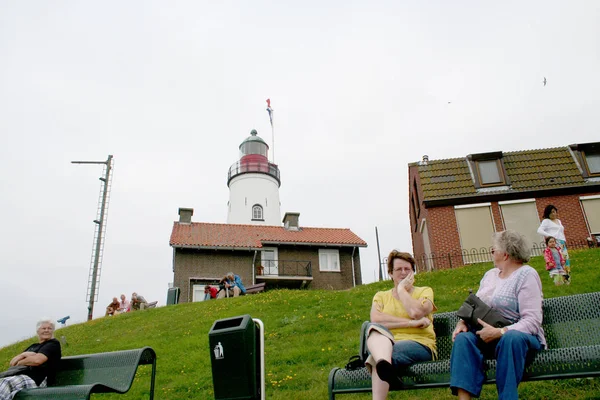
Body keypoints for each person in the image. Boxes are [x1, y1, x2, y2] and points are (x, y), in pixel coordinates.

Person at [450, 230, 545, 400]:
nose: (491, 253)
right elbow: (475, 306)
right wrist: (462, 322)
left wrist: (501, 332)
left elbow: (532, 321)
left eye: (493, 250)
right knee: (464, 339)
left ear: (505, 254)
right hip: (487, 337)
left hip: (520, 340)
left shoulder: (526, 274)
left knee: (511, 338)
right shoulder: (490, 275)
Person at [365, 250, 437, 400]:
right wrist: (411, 323)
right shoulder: (381, 296)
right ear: (391, 273)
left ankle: (384, 364)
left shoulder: (425, 291)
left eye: (407, 269)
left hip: (420, 344)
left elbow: (416, 312)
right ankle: (385, 365)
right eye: (398, 269)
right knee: (375, 332)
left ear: (413, 272)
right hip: (387, 343)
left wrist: (401, 290)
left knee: (378, 358)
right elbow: (377, 320)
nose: (403, 273)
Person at [0, 319, 62, 400]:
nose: (46, 330)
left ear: (53, 331)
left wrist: (21, 361)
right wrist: (24, 354)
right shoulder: (33, 346)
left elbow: (37, 361)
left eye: (49, 328)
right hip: (20, 377)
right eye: (44, 328)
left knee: (5, 383)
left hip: (37, 379)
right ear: (38, 331)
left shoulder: (53, 344)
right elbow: (12, 363)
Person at [537, 204, 571, 283]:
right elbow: (539, 230)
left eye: (554, 212)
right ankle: (558, 281)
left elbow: (561, 232)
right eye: (551, 212)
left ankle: (567, 280)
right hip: (555, 243)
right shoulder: (546, 221)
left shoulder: (559, 221)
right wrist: (550, 237)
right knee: (557, 260)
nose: (553, 214)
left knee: (565, 260)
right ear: (548, 213)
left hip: (562, 242)